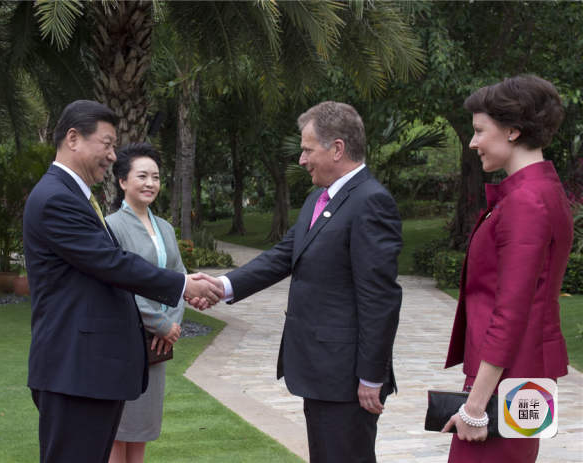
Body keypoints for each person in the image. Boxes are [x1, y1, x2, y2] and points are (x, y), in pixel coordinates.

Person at [195, 101, 402, 463]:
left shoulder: (371, 202)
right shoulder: (318, 198)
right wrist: (222, 286)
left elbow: (379, 299)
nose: (302, 160)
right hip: (320, 371)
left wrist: (372, 376)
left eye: (307, 150)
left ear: (337, 148)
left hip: (346, 377)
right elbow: (282, 256)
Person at [23, 100, 222, 463]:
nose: (113, 156)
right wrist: (182, 285)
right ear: (73, 138)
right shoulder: (56, 198)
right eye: (107, 144)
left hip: (89, 372)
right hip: (75, 371)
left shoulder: (73, 195)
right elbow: (112, 263)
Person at [442, 75, 572, 462]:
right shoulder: (542, 191)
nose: (473, 142)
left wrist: (475, 407)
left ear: (513, 131)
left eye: (480, 131)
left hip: (506, 382)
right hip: (517, 377)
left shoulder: (526, 201)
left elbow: (511, 311)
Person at [105, 143, 185, 463]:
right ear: (123, 181)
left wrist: (173, 323)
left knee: (142, 429)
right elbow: (120, 282)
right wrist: (161, 323)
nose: (150, 183)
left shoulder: (165, 227)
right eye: (142, 176)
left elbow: (179, 277)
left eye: (156, 177)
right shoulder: (111, 226)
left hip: (157, 344)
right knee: (118, 429)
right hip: (125, 340)